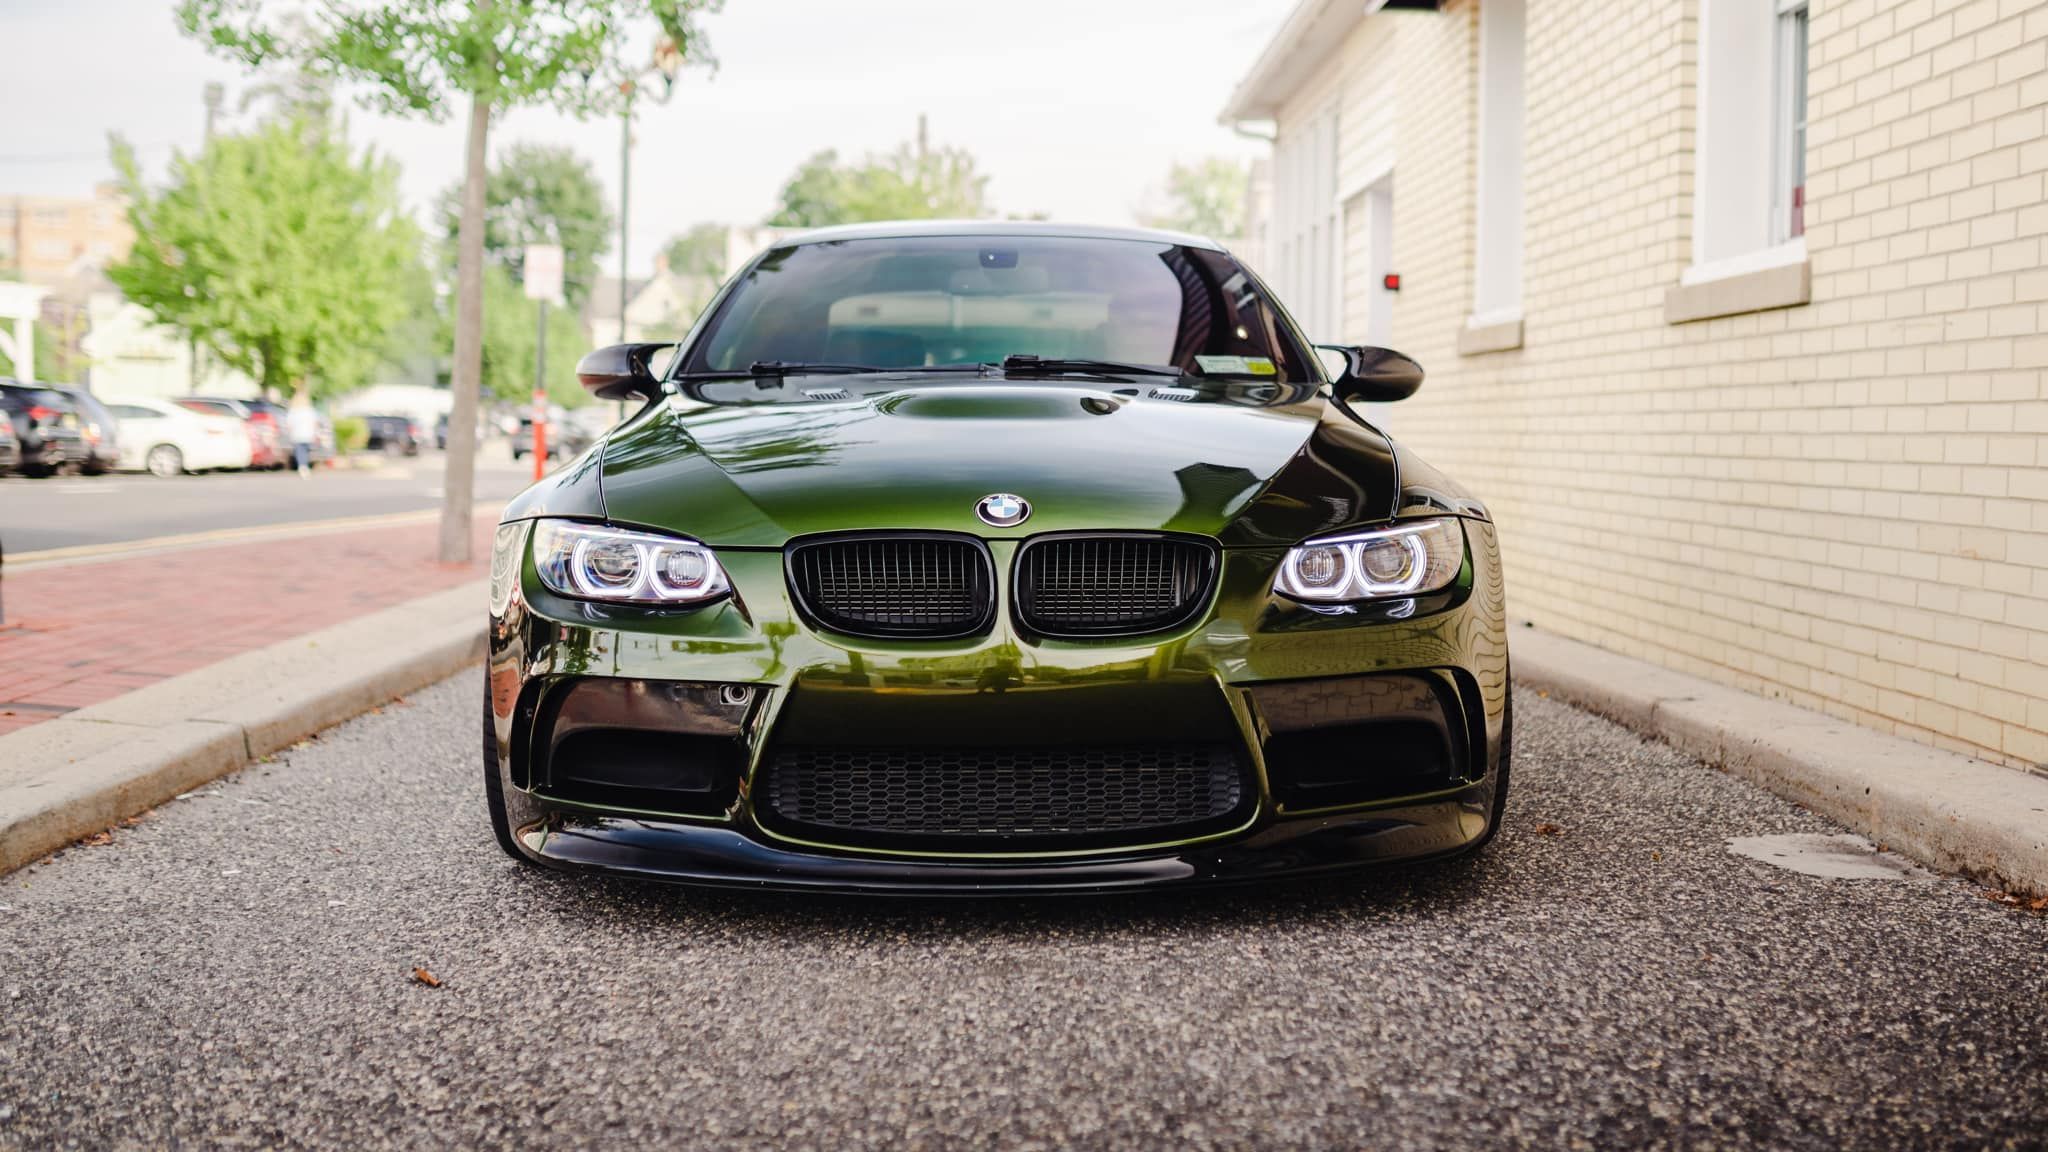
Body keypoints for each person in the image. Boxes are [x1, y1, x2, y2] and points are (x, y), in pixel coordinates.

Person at [286, 390, 320, 476]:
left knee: (299, 451)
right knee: (306, 450)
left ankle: (302, 465)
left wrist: (290, 432)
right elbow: (315, 422)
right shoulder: (309, 410)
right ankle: (304, 465)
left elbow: (289, 423)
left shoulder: (293, 410)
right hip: (308, 433)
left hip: (297, 434)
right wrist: (316, 432)